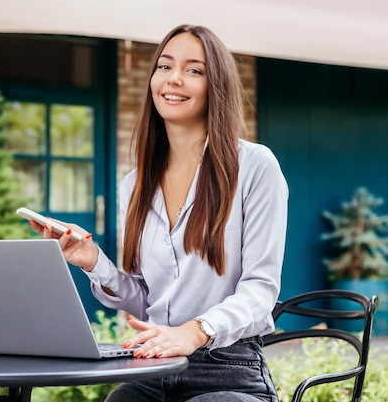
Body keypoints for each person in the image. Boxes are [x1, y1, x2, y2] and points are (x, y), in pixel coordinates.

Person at [29, 24, 287, 402]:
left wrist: (196, 331)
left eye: (194, 70)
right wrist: (92, 261)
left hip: (229, 369)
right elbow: (148, 298)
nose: (174, 79)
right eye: (165, 67)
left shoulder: (255, 166)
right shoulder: (133, 184)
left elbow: (261, 290)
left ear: (215, 86)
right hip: (154, 366)